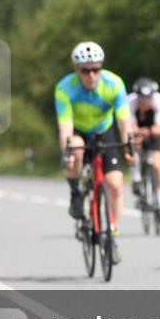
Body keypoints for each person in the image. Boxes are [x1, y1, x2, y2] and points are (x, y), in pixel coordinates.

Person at [55, 41, 134, 264]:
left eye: (96, 69)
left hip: (103, 130)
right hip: (78, 130)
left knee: (116, 185)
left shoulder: (114, 84)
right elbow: (65, 127)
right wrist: (67, 151)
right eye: (85, 70)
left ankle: (113, 236)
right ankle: (75, 194)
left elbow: (124, 122)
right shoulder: (65, 88)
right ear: (76, 70)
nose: (91, 75)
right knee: (76, 153)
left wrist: (129, 147)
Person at [128, 77, 160, 221]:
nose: (145, 102)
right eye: (142, 99)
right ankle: (136, 178)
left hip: (154, 133)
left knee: (158, 165)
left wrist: (148, 131)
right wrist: (138, 132)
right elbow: (129, 127)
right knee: (134, 144)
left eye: (148, 99)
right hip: (137, 132)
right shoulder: (130, 102)